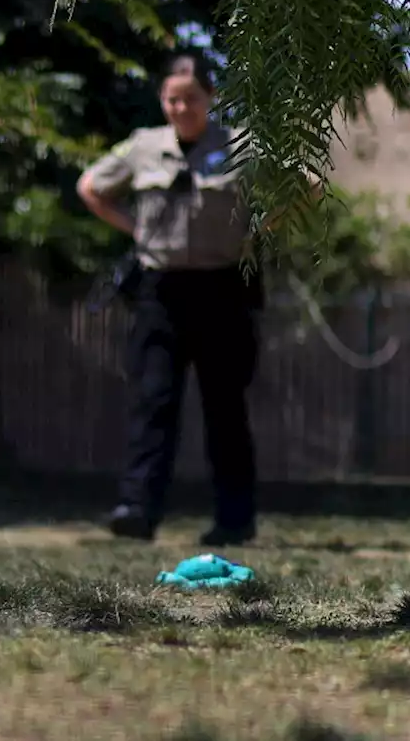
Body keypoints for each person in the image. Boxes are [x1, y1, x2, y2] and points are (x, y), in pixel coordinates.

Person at [76, 52, 317, 546]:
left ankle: (234, 520)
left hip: (223, 290)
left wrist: (255, 234)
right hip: (159, 292)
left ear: (211, 99)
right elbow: (91, 187)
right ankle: (137, 510)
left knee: (224, 409)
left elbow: (307, 186)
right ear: (162, 100)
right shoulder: (144, 147)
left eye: (192, 98)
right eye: (172, 98)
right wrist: (136, 228)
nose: (181, 107)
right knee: (154, 401)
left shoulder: (238, 146)